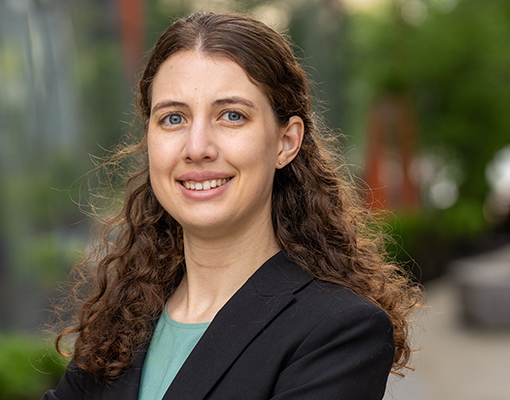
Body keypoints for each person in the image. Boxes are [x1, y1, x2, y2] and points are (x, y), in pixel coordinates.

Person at [42, 11, 419, 400]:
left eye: (231, 116)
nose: (197, 148)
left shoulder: (339, 331)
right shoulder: (122, 319)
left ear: (286, 142)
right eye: (173, 118)